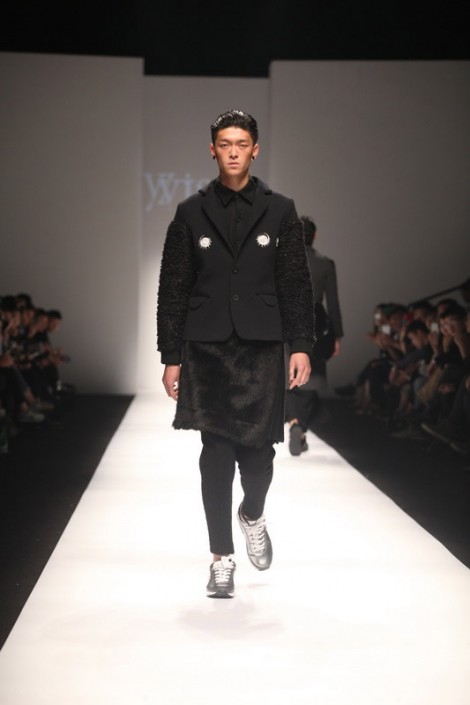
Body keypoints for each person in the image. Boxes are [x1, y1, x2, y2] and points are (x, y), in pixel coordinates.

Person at [157, 109, 314, 598]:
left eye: (241, 144)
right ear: (212, 150)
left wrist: (301, 345)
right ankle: (220, 558)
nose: (232, 151)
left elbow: (294, 282)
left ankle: (252, 513)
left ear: (255, 150)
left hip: (262, 345)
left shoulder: (281, 209)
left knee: (259, 455)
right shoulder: (190, 212)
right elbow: (173, 287)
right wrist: (170, 355)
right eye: (224, 143)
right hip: (206, 346)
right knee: (216, 452)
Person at [286, 216, 344, 455]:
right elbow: (333, 303)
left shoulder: (282, 260)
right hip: (315, 322)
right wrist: (337, 335)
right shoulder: (325, 264)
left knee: (287, 378)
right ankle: (299, 426)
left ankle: (294, 423)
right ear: (315, 236)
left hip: (285, 320)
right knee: (309, 378)